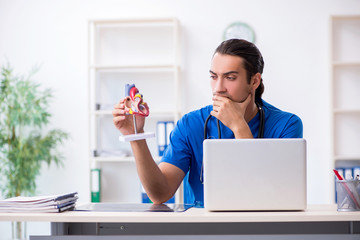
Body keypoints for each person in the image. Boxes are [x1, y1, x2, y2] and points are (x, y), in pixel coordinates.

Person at [112, 39, 303, 207]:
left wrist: (239, 127)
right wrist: (135, 135)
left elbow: (273, 194)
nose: (218, 88)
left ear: (254, 81)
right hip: (204, 229)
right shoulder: (191, 124)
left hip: (262, 228)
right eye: (213, 77)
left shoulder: (286, 125)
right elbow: (160, 194)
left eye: (230, 78)